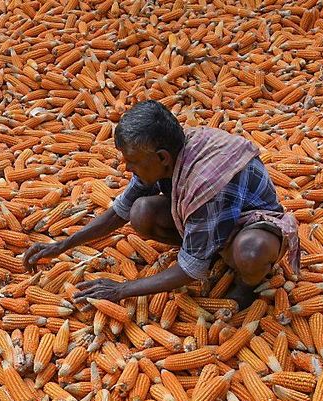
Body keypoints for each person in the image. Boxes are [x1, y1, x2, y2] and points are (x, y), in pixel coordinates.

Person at [22, 99, 300, 310]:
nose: (126, 166)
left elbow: (190, 271)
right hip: (212, 220)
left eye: (131, 160)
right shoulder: (166, 154)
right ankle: (209, 249)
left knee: (251, 252)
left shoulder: (207, 184)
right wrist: (62, 245)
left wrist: (121, 290)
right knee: (140, 212)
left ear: (163, 157)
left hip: (252, 223)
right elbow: (120, 211)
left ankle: (247, 283)